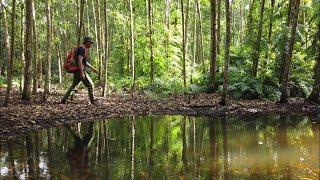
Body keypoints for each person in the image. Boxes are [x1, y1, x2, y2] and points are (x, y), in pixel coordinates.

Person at [61, 37, 98, 104]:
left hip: (78, 70)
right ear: (87, 42)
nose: (91, 45)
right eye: (90, 43)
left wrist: (93, 68)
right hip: (79, 70)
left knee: (74, 86)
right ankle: (92, 100)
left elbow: (84, 62)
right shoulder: (82, 49)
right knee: (90, 84)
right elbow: (79, 61)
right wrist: (82, 73)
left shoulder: (83, 49)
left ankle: (64, 99)